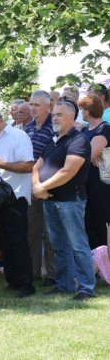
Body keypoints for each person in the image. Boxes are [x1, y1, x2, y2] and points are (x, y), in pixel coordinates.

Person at [32, 101, 96, 300]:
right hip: (51, 200)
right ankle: (65, 285)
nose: (55, 118)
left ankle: (86, 288)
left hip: (70, 200)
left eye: (59, 114)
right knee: (59, 245)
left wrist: (42, 187)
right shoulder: (53, 141)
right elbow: (37, 166)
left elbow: (68, 171)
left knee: (78, 245)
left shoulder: (78, 140)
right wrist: (36, 186)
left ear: (71, 117)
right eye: (54, 115)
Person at [0, 107, 35, 298]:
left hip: (15, 197)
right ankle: (12, 280)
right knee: (4, 241)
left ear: (0, 120)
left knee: (18, 240)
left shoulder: (18, 136)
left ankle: (26, 284)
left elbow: (29, 165)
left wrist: (1, 163)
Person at [24, 90, 57, 287]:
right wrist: (30, 186)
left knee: (50, 233)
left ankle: (53, 274)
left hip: (49, 186)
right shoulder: (27, 128)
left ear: (48, 107)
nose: (33, 108)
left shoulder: (55, 127)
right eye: (31, 105)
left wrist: (39, 186)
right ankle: (34, 272)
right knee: (31, 232)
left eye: (37, 105)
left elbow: (54, 160)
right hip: (29, 187)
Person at [79, 94, 110, 249]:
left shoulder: (104, 128)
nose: (81, 113)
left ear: (88, 110)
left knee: (102, 223)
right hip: (85, 183)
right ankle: (95, 264)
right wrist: (89, 152)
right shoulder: (85, 128)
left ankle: (106, 265)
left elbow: (87, 154)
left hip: (100, 183)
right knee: (88, 223)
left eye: (82, 109)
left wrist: (89, 152)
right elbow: (79, 151)